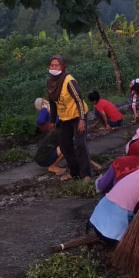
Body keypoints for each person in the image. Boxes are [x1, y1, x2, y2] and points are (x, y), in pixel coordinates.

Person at [46, 54, 92, 182]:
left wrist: (82, 119)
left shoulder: (69, 80)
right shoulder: (50, 83)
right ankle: (74, 172)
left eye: (57, 65)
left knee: (80, 144)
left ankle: (86, 174)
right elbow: (52, 103)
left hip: (78, 115)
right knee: (65, 146)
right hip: (65, 118)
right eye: (52, 65)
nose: (54, 67)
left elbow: (79, 100)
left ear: (62, 66)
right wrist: (52, 121)